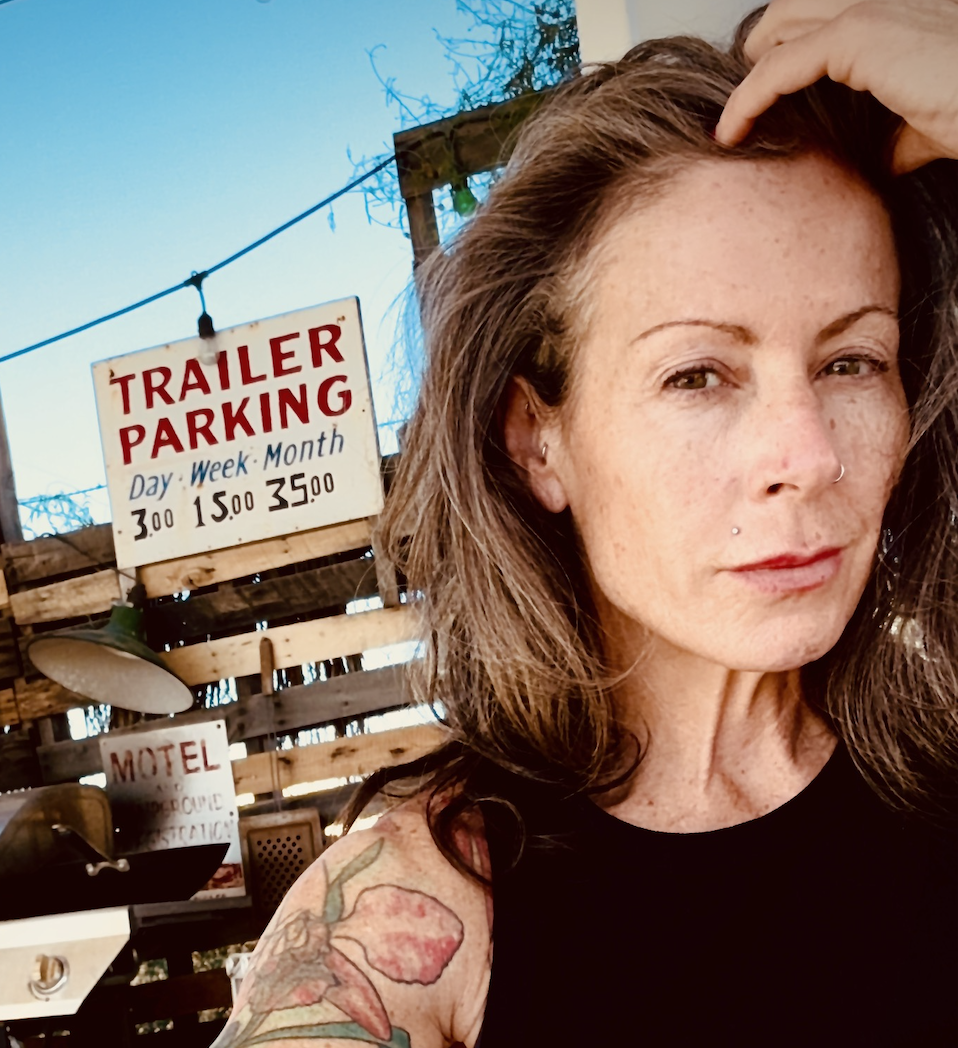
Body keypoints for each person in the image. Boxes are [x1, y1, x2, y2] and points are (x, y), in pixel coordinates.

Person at [215, 3, 958, 1046]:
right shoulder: (410, 919)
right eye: (697, 374)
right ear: (538, 441)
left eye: (851, 361)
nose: (807, 455)